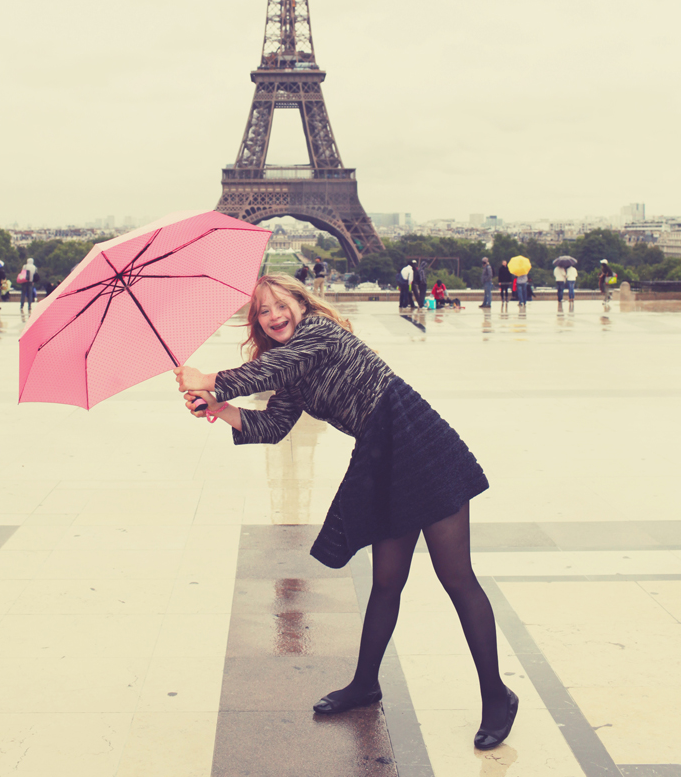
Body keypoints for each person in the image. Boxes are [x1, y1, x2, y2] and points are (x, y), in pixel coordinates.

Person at [173, 274, 517, 749]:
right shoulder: (288, 364)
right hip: (382, 455)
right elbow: (274, 424)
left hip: (421, 442)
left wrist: (210, 379)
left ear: (300, 301)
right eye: (262, 312)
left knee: (456, 578)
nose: (273, 316)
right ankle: (365, 683)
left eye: (279, 304)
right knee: (386, 581)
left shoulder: (320, 333)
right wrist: (218, 408)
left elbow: (272, 369)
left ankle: (497, 695)